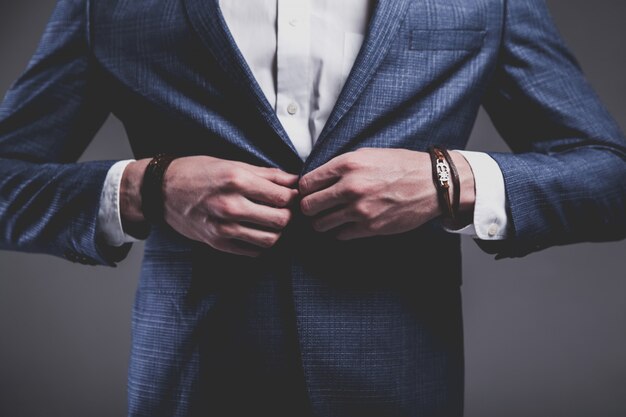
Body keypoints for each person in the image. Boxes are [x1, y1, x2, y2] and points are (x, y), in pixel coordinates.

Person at [0, 0, 624, 416]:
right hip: (193, 386)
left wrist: (448, 178)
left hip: (400, 386)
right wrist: (147, 188)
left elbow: (609, 175)